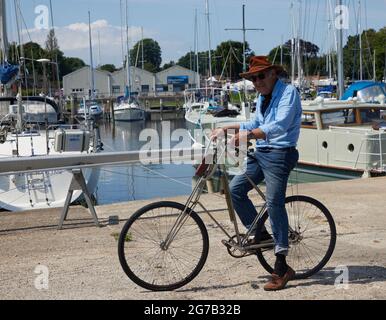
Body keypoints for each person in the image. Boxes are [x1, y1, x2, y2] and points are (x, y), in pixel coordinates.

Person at [211, 56, 302, 291]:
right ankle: (261, 235)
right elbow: (254, 123)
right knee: (235, 190)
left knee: (274, 202)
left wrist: (247, 137)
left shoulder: (288, 93)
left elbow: (280, 125)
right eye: (253, 78)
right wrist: (226, 128)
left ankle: (282, 266)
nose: (256, 81)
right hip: (261, 153)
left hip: (281, 154)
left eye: (260, 76)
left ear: (273, 73)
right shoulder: (262, 97)